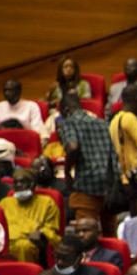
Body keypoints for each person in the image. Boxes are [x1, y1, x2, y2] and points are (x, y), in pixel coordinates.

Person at [55, 94, 116, 223]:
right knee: (110, 231)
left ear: (66, 110)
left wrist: (67, 171)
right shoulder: (103, 123)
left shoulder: (68, 123)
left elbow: (72, 147)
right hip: (108, 185)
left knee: (86, 230)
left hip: (86, 185)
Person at [2, 169, 60, 264]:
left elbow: (51, 229)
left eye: (22, 182)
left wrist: (41, 233)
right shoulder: (5, 203)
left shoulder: (47, 203)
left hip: (32, 244)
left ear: (32, 184)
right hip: (7, 242)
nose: (18, 185)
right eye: (16, 182)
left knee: (24, 246)